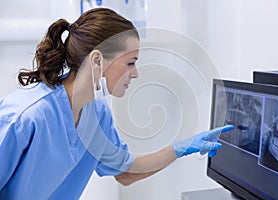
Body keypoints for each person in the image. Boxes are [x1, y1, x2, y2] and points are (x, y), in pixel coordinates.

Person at [0, 8, 234, 199]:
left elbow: (125, 172)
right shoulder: (26, 117)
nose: (135, 74)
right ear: (97, 60)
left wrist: (181, 148)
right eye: (131, 63)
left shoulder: (97, 113)